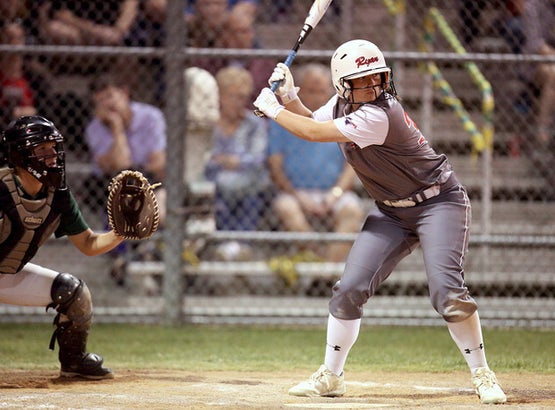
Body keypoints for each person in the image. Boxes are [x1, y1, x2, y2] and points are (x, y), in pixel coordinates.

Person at [254, 39, 507, 404]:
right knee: (349, 288)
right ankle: (331, 376)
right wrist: (290, 97)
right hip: (391, 210)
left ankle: (483, 373)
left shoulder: (379, 114)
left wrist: (272, 108)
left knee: (446, 292)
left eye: (377, 76)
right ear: (342, 83)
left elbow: (311, 134)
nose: (372, 85)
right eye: (361, 79)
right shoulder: (344, 104)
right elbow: (313, 122)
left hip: (439, 203)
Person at [0, 115, 125, 379]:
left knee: (73, 293)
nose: (52, 155)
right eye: (41, 149)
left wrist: (120, 233)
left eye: (53, 147)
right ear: (21, 155)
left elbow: (89, 244)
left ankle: (74, 362)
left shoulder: (58, 196)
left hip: (5, 274)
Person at [268, 63, 364, 262]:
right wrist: (297, 195)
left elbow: (353, 165)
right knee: (287, 208)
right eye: (311, 91)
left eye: (322, 91)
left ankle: (325, 270)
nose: (318, 97)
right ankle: (319, 263)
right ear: (299, 92)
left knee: (352, 210)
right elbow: (275, 167)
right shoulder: (282, 118)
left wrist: (335, 194)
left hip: (333, 193)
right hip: (295, 194)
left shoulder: (342, 117)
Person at [85, 72, 167, 284]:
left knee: (157, 202)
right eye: (101, 100)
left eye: (111, 96)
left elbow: (158, 163)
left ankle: (135, 255)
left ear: (125, 93)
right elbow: (122, 165)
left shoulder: (151, 117)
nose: (108, 104)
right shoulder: (95, 128)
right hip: (112, 186)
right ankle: (141, 253)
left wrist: (136, 167)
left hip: (150, 182)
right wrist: (117, 128)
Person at [205, 66, 270, 257]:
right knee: (217, 192)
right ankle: (223, 245)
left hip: (247, 184)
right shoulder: (208, 123)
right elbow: (205, 161)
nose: (239, 103)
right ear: (220, 97)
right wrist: (234, 162)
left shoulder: (254, 123)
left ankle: (241, 247)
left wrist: (225, 161)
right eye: (233, 97)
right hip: (216, 185)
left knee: (251, 195)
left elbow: (257, 159)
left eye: (243, 97)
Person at [521, 0, 555, 144]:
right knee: (553, 73)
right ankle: (543, 127)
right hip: (536, 64)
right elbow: (536, 44)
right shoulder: (532, 6)